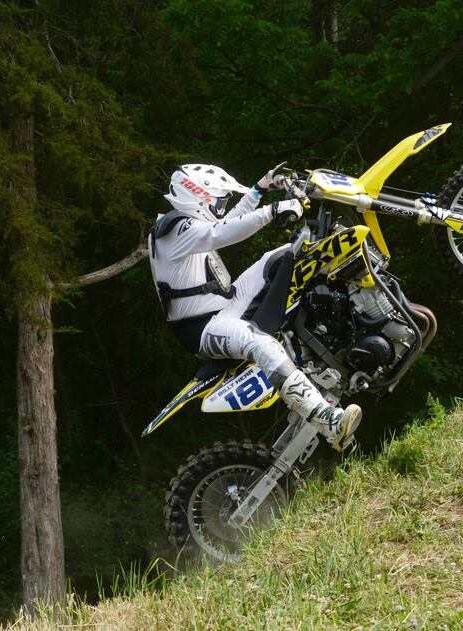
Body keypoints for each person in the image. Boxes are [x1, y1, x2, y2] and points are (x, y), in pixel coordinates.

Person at [148, 163, 361, 451]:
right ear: (199, 196)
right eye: (220, 201)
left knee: (286, 255)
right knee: (257, 342)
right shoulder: (175, 230)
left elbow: (226, 224)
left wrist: (259, 189)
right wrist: (273, 211)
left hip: (227, 303)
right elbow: (221, 233)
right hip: (204, 328)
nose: (222, 208)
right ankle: (328, 422)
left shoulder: (183, 225)